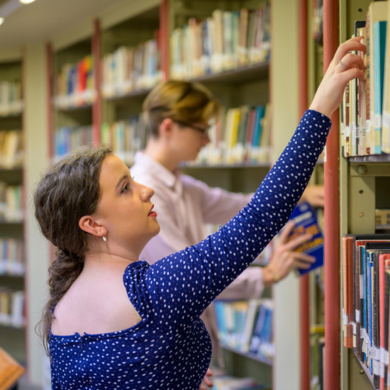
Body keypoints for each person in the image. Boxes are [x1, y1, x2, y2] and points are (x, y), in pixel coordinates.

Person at [34, 37, 365, 390]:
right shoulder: (154, 290)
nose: (145, 189)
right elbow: (260, 216)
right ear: (93, 224)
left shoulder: (61, 308)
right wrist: (321, 107)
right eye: (126, 188)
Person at [131, 79, 325, 372]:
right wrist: (268, 275)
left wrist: (302, 194)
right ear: (169, 128)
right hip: (169, 354)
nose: (208, 140)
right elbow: (193, 277)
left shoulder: (182, 186)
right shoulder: (147, 193)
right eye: (202, 130)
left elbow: (240, 205)